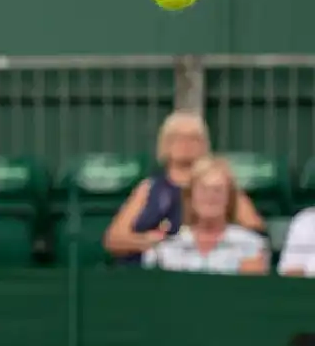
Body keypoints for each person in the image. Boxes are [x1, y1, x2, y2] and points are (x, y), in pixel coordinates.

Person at [102, 111, 262, 263]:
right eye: (177, 138)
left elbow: (254, 229)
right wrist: (149, 242)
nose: (186, 144)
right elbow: (113, 239)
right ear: (165, 144)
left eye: (193, 139)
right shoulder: (148, 188)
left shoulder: (220, 183)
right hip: (145, 270)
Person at [141, 156, 268, 275]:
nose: (210, 196)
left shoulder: (250, 245)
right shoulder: (164, 248)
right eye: (203, 190)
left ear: (229, 198)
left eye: (217, 190)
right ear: (190, 197)